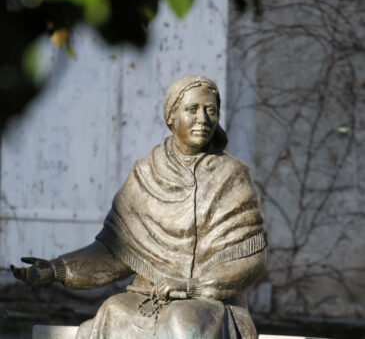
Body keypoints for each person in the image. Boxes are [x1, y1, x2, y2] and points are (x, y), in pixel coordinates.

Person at [11, 75, 268, 339]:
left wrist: (194, 287)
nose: (203, 119)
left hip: (211, 301)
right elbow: (114, 252)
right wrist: (57, 269)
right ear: (171, 116)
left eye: (210, 111)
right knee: (113, 310)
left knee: (183, 322)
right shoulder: (145, 173)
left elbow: (251, 259)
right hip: (149, 296)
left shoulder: (233, 175)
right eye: (192, 109)